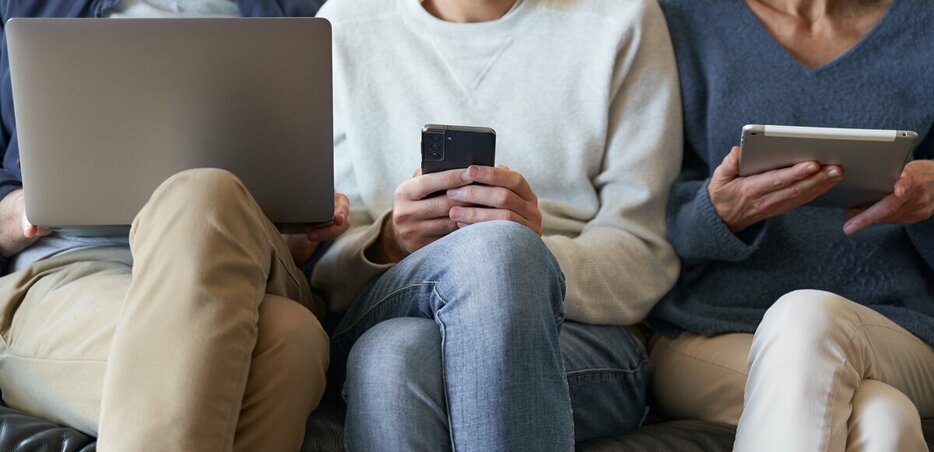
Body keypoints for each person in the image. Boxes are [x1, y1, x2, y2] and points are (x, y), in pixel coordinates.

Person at [312, 0, 682, 449]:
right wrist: (390, 242)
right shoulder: (347, 23)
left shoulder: (621, 17)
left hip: (579, 330)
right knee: (495, 252)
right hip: (398, 293)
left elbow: (642, 250)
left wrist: (529, 256)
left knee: (394, 356)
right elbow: (325, 257)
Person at [0, 1, 345, 451]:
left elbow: (318, 235)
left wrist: (309, 222)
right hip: (70, 275)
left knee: (203, 196)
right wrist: (21, 210)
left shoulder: (302, 10)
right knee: (288, 343)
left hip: (250, 265)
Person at [649, 0, 934, 450]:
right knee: (883, 420)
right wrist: (719, 213)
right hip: (716, 330)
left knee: (808, 319)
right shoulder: (681, 18)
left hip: (896, 331)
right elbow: (641, 227)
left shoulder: (924, 26)